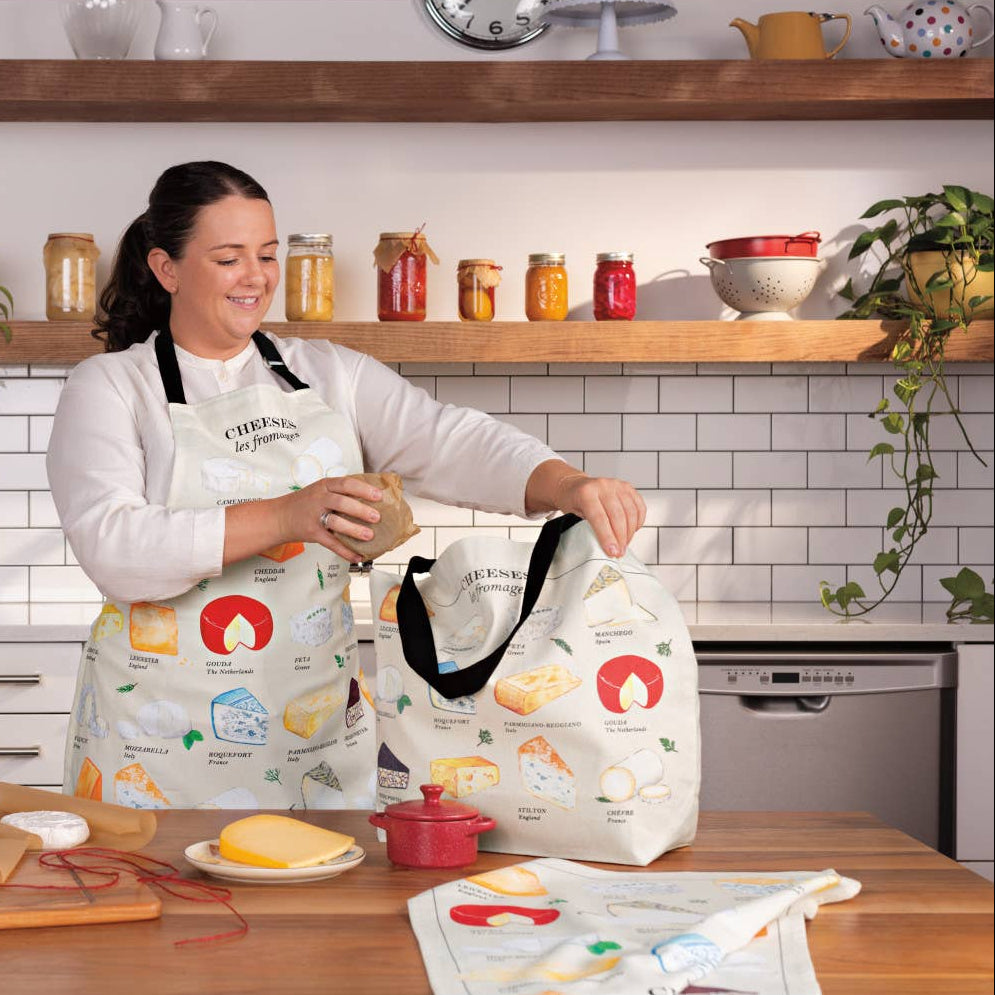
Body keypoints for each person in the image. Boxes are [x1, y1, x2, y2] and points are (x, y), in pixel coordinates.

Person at [46, 161, 646, 811]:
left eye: (268, 255)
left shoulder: (329, 373)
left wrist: (568, 483)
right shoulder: (109, 388)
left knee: (326, 908)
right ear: (167, 269)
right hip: (157, 743)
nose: (257, 277)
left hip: (316, 735)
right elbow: (115, 547)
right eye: (228, 258)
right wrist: (286, 516)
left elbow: (452, 440)